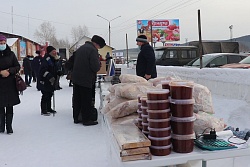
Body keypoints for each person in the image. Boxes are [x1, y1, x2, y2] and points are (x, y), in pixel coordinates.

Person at [71, 35, 106, 126]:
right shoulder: (92, 50)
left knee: (77, 99)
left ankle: (76, 118)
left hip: (76, 78)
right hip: (86, 78)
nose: (99, 48)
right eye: (99, 47)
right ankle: (86, 120)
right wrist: (99, 65)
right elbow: (95, 67)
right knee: (86, 99)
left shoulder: (81, 48)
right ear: (97, 44)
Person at [0, 34, 21, 134]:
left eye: (4, 43)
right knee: (0, 107)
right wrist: (0, 72)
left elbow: (17, 66)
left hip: (10, 84)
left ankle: (9, 127)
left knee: (9, 106)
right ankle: (1, 127)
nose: (2, 44)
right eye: (1, 43)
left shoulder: (11, 54)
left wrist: (9, 70)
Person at [37, 46, 61, 116]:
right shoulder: (46, 60)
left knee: (50, 94)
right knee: (45, 95)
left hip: (50, 81)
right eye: (53, 51)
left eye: (55, 51)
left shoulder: (53, 59)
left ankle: (49, 108)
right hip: (45, 80)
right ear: (50, 52)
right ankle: (44, 110)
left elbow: (54, 68)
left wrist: (58, 72)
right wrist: (49, 76)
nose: (55, 52)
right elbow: (43, 70)